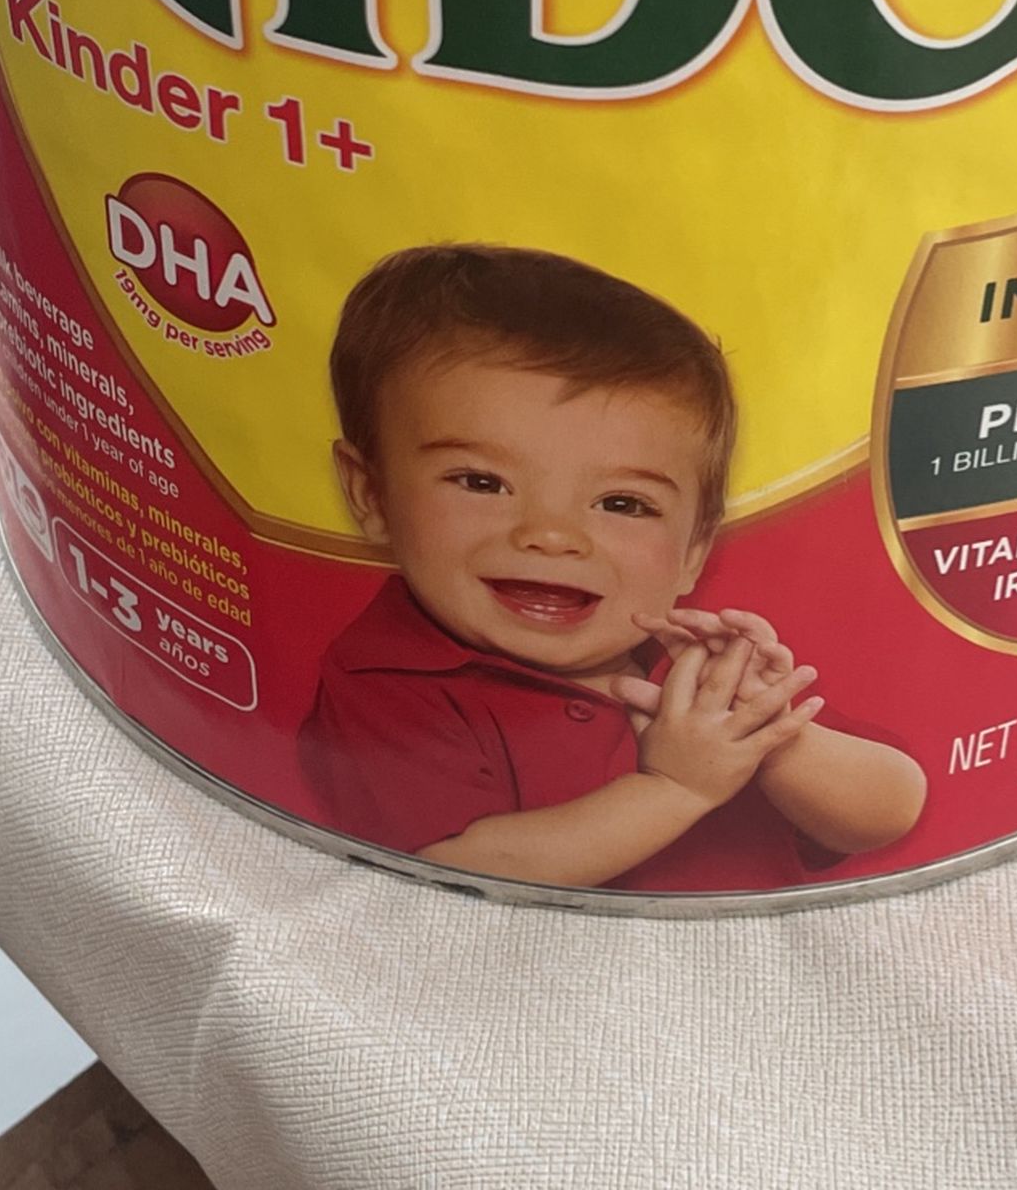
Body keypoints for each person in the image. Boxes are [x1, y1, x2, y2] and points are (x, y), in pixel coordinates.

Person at [295, 243, 927, 891]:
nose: (551, 536)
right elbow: (451, 871)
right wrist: (676, 788)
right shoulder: (387, 681)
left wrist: (770, 735)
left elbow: (892, 807)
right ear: (372, 495)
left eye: (622, 503)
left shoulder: (693, 664)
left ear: (693, 551)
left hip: (747, 948)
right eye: (482, 482)